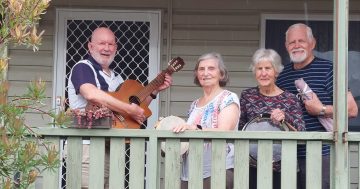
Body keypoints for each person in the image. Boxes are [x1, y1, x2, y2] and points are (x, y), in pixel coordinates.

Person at [67, 27, 172, 188]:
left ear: (116, 48)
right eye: (102, 43)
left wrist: (153, 91)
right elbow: (91, 94)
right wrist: (129, 109)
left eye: (111, 44)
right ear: (90, 46)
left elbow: (132, 110)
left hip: (112, 148)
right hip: (86, 147)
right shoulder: (83, 67)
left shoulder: (117, 78)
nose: (107, 48)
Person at [276, 23, 359, 189]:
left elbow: (352, 109)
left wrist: (321, 110)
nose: (296, 45)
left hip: (322, 153)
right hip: (289, 155)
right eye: (292, 42)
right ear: (286, 46)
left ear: (312, 43)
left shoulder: (329, 70)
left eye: (302, 41)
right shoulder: (282, 76)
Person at [172, 52, 240, 189]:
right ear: (197, 74)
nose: (205, 73)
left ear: (221, 74)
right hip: (189, 174)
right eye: (201, 69)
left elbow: (225, 131)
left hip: (218, 171)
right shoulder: (194, 105)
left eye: (211, 68)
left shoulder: (228, 98)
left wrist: (196, 129)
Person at [239, 48, 305, 189]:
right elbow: (240, 129)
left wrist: (285, 118)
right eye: (259, 69)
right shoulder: (247, 95)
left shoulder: (290, 99)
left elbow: (301, 134)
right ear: (254, 72)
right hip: (252, 166)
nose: (263, 73)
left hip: (284, 168)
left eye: (268, 68)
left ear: (276, 71)